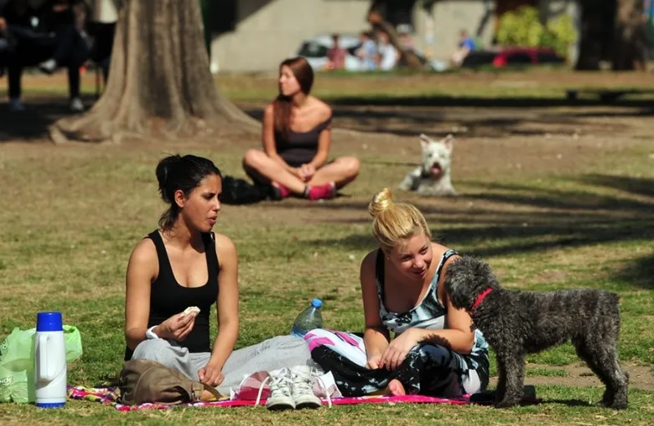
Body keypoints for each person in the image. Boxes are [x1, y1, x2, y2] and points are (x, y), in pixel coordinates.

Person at [125, 154, 319, 396]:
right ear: (180, 198)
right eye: (208, 197)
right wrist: (161, 332)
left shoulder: (222, 248)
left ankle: (201, 391)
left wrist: (214, 366)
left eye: (219, 197)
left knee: (296, 347)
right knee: (150, 352)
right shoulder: (147, 253)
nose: (217, 206)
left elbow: (229, 322)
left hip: (206, 364)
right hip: (165, 359)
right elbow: (133, 336)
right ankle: (222, 389)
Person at [305, 188, 489, 397]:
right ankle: (384, 382)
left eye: (424, 250)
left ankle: (362, 384)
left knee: (423, 354)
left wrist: (415, 335)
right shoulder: (372, 266)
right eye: (406, 258)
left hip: (457, 364)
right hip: (402, 359)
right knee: (317, 338)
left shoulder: (453, 266)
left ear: (429, 237)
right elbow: (374, 327)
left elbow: (465, 341)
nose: (419, 263)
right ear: (387, 253)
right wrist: (377, 356)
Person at [242, 57, 360, 201]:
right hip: (279, 168)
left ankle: (286, 187)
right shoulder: (272, 111)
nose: (281, 81)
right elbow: (271, 153)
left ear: (302, 79)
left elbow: (323, 152)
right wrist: (291, 171)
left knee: (351, 164)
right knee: (252, 157)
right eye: (281, 76)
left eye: (287, 76)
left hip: (311, 172)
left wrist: (311, 167)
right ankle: (308, 191)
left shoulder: (323, 111)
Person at [0, 0, 89, 112]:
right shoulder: (6, 10)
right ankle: (15, 98)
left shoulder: (41, 10)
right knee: (14, 57)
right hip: (24, 48)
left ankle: (74, 96)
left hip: (49, 45)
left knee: (73, 52)